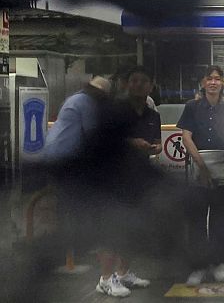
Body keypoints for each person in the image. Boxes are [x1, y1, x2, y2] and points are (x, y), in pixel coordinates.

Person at [44, 76, 152, 298]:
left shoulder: (80, 100)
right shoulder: (86, 104)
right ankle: (105, 278)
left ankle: (120, 273)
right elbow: (98, 137)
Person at [176, 66, 224, 285]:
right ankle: (197, 266)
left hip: (223, 171)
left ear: (223, 83)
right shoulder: (192, 107)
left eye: (217, 79)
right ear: (203, 83)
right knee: (196, 220)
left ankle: (217, 263)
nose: (213, 82)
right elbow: (186, 138)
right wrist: (202, 167)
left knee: (221, 220)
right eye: (209, 79)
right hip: (198, 170)